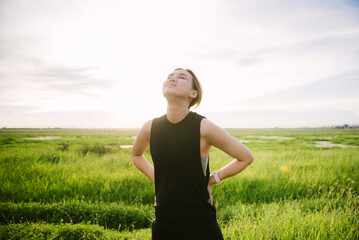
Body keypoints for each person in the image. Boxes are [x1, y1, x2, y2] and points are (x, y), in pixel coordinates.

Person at [131, 68, 254, 240]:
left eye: (181, 77)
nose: (172, 79)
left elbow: (246, 157)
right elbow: (136, 155)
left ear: (193, 93)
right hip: (164, 221)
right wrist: (156, 177)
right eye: (169, 77)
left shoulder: (203, 126)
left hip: (200, 223)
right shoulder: (150, 127)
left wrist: (213, 178)